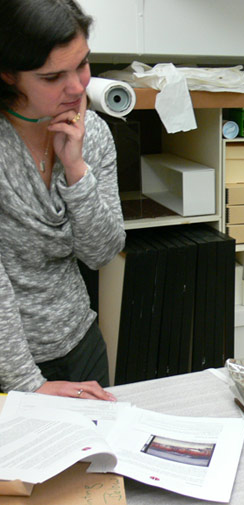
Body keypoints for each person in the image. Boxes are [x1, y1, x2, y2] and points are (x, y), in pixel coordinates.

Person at [0, 0, 125, 400]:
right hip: (12, 365)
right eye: (53, 76)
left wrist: (75, 168)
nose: (77, 88)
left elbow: (102, 252)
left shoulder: (96, 134)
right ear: (8, 75)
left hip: (79, 343)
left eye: (83, 65)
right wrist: (27, 384)